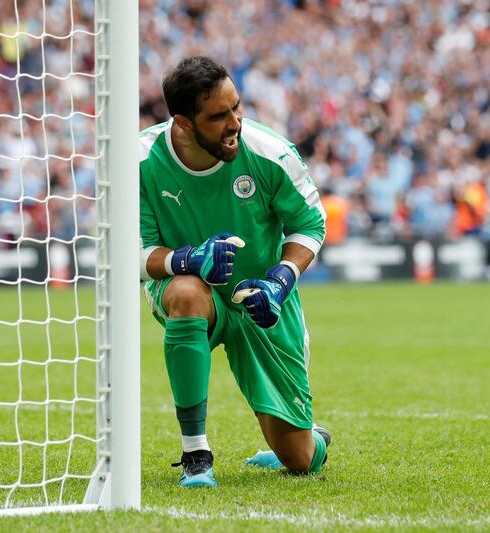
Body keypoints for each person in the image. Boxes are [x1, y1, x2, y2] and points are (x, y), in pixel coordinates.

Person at [139, 56, 331, 488]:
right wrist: (189, 260)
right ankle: (196, 454)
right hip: (186, 288)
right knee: (188, 291)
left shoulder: (269, 152)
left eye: (236, 108)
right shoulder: (140, 162)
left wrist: (280, 282)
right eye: (219, 116)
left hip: (262, 298)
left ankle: (310, 438)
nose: (235, 124)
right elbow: (134, 252)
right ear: (184, 123)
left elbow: (311, 223)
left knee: (299, 460)